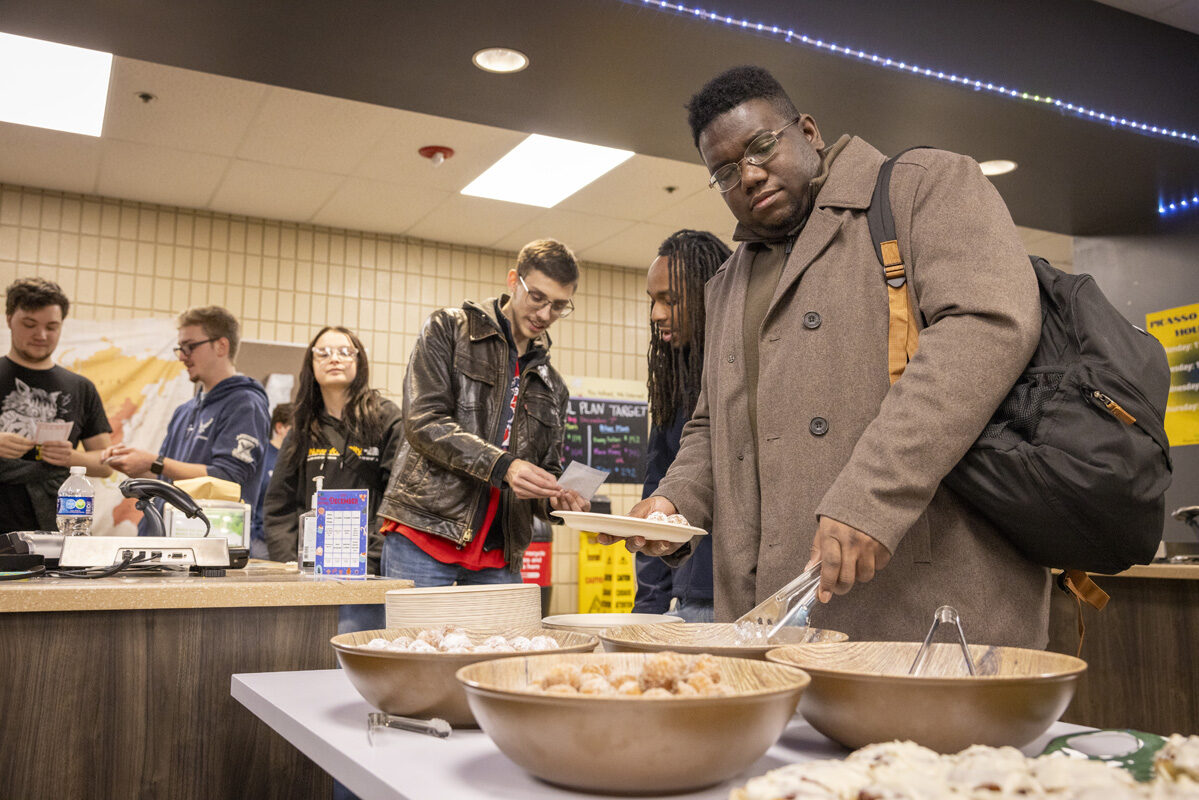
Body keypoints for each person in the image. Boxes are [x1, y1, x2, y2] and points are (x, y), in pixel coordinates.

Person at [615, 66, 1048, 647]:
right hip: (763, 617)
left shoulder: (923, 187)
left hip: (921, 604)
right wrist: (675, 502)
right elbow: (712, 421)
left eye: (762, 146)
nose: (748, 174)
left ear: (809, 131)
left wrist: (871, 496)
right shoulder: (724, 286)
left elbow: (988, 326)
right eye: (723, 171)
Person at [377, 239, 589, 587]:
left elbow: (545, 469)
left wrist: (556, 499)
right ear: (512, 280)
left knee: (502, 644)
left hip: (500, 552)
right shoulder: (448, 329)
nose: (544, 314)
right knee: (414, 643)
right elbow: (423, 421)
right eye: (537, 297)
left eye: (559, 306)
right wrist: (503, 466)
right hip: (426, 534)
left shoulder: (554, 386)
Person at [104, 306, 270, 537]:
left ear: (221, 346)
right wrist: (137, 464)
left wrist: (156, 462)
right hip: (164, 539)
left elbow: (228, 479)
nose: (182, 356)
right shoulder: (185, 410)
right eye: (180, 348)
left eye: (190, 347)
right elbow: (168, 477)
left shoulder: (245, 403)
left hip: (209, 541)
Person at [633, 230, 730, 623]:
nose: (656, 314)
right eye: (653, 301)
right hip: (692, 596)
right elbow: (657, 490)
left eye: (669, 300)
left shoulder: (743, 370)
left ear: (710, 295)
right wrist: (648, 608)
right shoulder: (675, 381)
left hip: (754, 591)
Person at [0, 278, 112, 533]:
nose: (41, 335)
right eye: (29, 324)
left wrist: (73, 458)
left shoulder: (81, 387)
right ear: (9, 319)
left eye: (52, 326)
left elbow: (106, 463)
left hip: (57, 532)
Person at [250, 402, 292, 559]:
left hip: (289, 538)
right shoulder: (262, 457)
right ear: (280, 427)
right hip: (261, 539)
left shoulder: (297, 458)